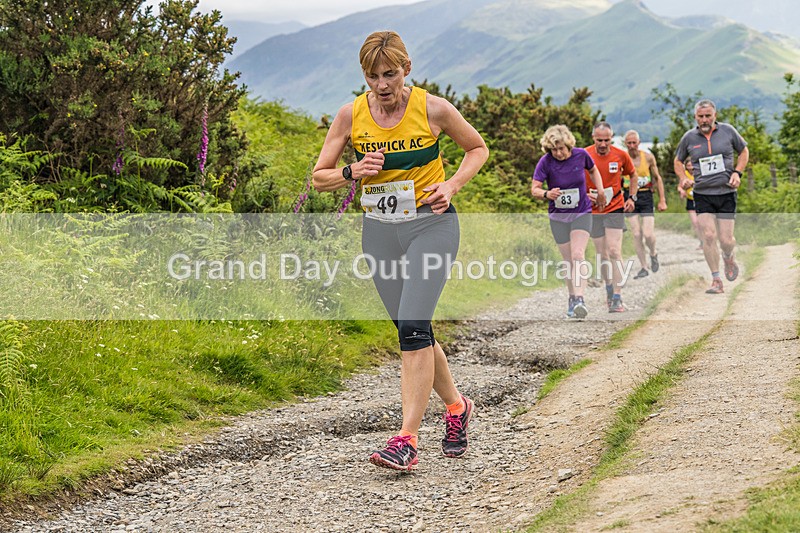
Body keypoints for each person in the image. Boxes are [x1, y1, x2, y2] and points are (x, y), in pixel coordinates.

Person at [312, 31, 489, 471]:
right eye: (373, 77)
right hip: (380, 232)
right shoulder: (350, 116)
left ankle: (406, 439)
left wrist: (451, 184)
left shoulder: (432, 108)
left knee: (412, 327)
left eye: (389, 74)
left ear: (406, 69)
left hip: (432, 226)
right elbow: (319, 176)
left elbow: (477, 148)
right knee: (415, 330)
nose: (382, 85)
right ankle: (456, 407)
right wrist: (353, 170)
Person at [531, 125, 606, 319]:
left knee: (578, 255)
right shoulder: (545, 162)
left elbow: (594, 170)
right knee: (567, 260)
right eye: (553, 149)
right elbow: (535, 189)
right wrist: (547, 193)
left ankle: (580, 299)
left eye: (561, 148)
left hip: (581, 212)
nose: (558, 153)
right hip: (558, 216)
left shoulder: (581, 155)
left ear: (569, 145)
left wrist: (600, 190)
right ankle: (572, 298)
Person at [675, 99, 748, 294]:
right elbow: (677, 161)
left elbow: (744, 151)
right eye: (701, 116)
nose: (705, 119)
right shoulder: (689, 138)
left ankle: (728, 256)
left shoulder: (728, 131)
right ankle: (716, 279)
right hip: (702, 194)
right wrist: (683, 178)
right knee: (708, 236)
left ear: (715, 115)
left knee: (726, 240)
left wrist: (737, 173)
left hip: (726, 192)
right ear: (695, 117)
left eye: (708, 116)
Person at [585, 122, 638, 313]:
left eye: (607, 140)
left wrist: (632, 197)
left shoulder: (620, 155)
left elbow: (633, 175)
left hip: (615, 206)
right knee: (602, 254)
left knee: (615, 250)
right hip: (593, 209)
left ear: (612, 138)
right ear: (593, 139)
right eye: (599, 140)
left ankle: (617, 295)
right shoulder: (584, 155)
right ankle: (608, 287)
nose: (603, 144)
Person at [623, 130, 667, 279]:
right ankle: (643, 267)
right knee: (636, 234)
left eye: (634, 142)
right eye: (629, 143)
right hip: (629, 198)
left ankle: (653, 254)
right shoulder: (622, 158)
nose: (632, 146)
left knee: (648, 234)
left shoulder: (648, 157)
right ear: (625, 144)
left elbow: (657, 178)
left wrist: (662, 200)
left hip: (646, 195)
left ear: (639, 143)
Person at [679, 157, 703, 250]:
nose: (690, 167)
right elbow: (679, 186)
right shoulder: (684, 175)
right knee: (695, 222)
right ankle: (702, 242)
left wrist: (693, 183)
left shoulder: (699, 173)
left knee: (703, 222)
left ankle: (708, 240)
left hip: (701, 200)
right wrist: (681, 191)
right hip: (690, 200)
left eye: (691, 165)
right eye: (688, 165)